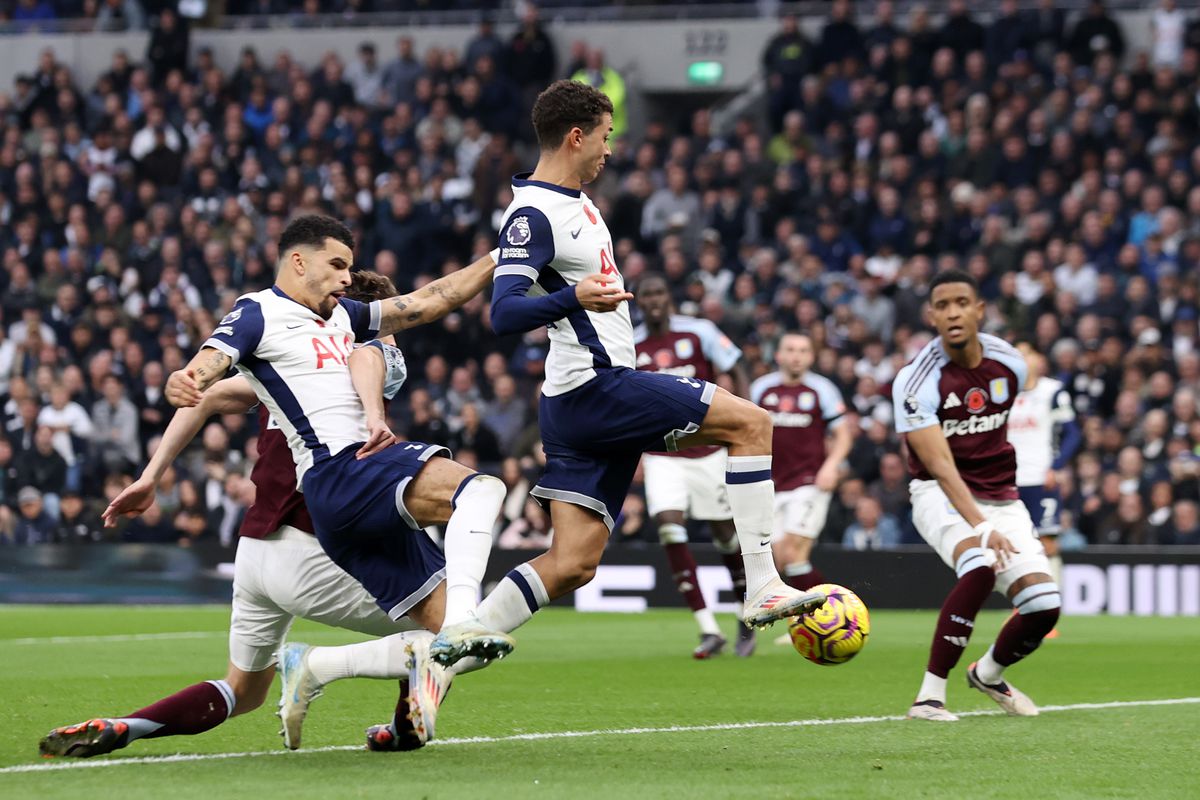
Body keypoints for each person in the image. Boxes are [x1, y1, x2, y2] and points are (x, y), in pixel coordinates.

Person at [37, 272, 485, 758]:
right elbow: (378, 352)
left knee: (242, 691)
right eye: (390, 319)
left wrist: (151, 475)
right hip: (313, 545)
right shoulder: (368, 351)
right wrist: (378, 401)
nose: (395, 331)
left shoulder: (286, 365)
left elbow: (203, 396)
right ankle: (338, 680)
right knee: (452, 630)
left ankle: (129, 726)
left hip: (256, 551)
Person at [483, 80, 825, 663]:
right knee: (752, 424)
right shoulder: (533, 214)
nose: (609, 149)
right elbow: (503, 311)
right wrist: (577, 298)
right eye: (605, 136)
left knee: (571, 565)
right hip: (597, 388)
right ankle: (763, 585)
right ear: (576, 136)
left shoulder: (577, 203)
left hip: (576, 401)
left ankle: (436, 654)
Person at [164, 218, 512, 745]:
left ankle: (380, 705)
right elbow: (215, 361)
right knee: (479, 491)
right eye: (337, 265)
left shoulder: (344, 318)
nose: (348, 278)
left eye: (351, 267)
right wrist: (192, 375)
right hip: (337, 477)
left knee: (443, 637)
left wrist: (506, 251)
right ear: (299, 261)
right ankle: (456, 625)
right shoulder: (261, 311)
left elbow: (434, 298)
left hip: (345, 488)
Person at [893, 270, 1060, 722]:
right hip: (938, 494)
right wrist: (982, 527)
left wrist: (993, 515)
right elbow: (942, 467)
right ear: (931, 316)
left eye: (961, 302)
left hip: (1002, 498)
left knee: (1044, 607)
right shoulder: (915, 382)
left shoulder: (1011, 364)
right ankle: (929, 697)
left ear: (979, 310)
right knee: (981, 565)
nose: (952, 312)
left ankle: (988, 674)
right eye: (942, 305)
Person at [632, 272, 753, 659]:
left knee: (725, 536)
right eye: (647, 292)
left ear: (669, 297)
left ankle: (745, 615)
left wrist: (747, 422)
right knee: (669, 528)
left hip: (707, 450)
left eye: (659, 291)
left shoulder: (699, 332)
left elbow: (736, 368)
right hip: (662, 454)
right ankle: (708, 629)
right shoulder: (629, 343)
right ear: (639, 301)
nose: (654, 298)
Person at [750, 333, 853, 592]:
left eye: (803, 351)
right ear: (779, 355)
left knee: (792, 551)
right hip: (770, 484)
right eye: (791, 350)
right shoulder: (761, 389)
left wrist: (831, 466)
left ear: (811, 357)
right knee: (785, 561)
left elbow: (844, 435)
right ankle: (810, 622)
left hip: (810, 481)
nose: (797, 356)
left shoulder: (822, 389)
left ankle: (828, 615)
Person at [1007, 341, 1081, 638]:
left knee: (1047, 543)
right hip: (1009, 480)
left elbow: (1073, 432)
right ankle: (1021, 609)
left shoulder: (1052, 392)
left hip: (1041, 477)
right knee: (1013, 545)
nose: (1024, 358)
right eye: (1018, 354)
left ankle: (1050, 614)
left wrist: (1057, 465)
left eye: (1028, 352)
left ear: (1039, 359)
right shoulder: (1003, 393)